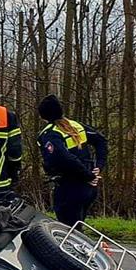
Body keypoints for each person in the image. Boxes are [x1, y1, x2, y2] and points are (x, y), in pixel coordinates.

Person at [37, 94, 108, 226]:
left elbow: (64, 158)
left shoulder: (50, 134)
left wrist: (89, 176)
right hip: (88, 188)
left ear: (43, 115)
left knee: (68, 230)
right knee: (77, 226)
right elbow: (101, 141)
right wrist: (99, 166)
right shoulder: (75, 125)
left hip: (70, 186)